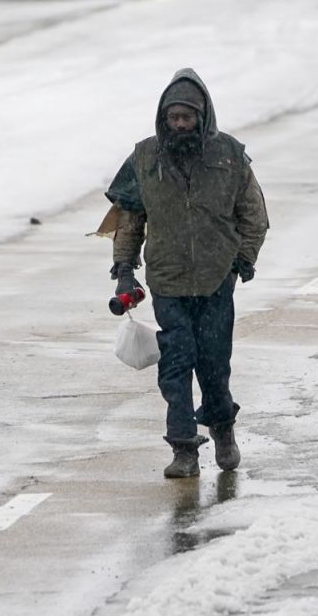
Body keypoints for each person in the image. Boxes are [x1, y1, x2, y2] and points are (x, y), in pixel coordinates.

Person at [105, 68, 269, 479]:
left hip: (216, 280)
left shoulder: (230, 155)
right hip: (168, 281)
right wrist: (125, 269)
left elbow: (254, 214)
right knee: (176, 364)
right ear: (163, 118)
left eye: (188, 118)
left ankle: (222, 428)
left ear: (202, 117)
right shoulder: (143, 158)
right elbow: (128, 219)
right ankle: (183, 449)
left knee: (214, 364)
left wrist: (242, 259)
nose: (180, 125)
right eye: (173, 118)